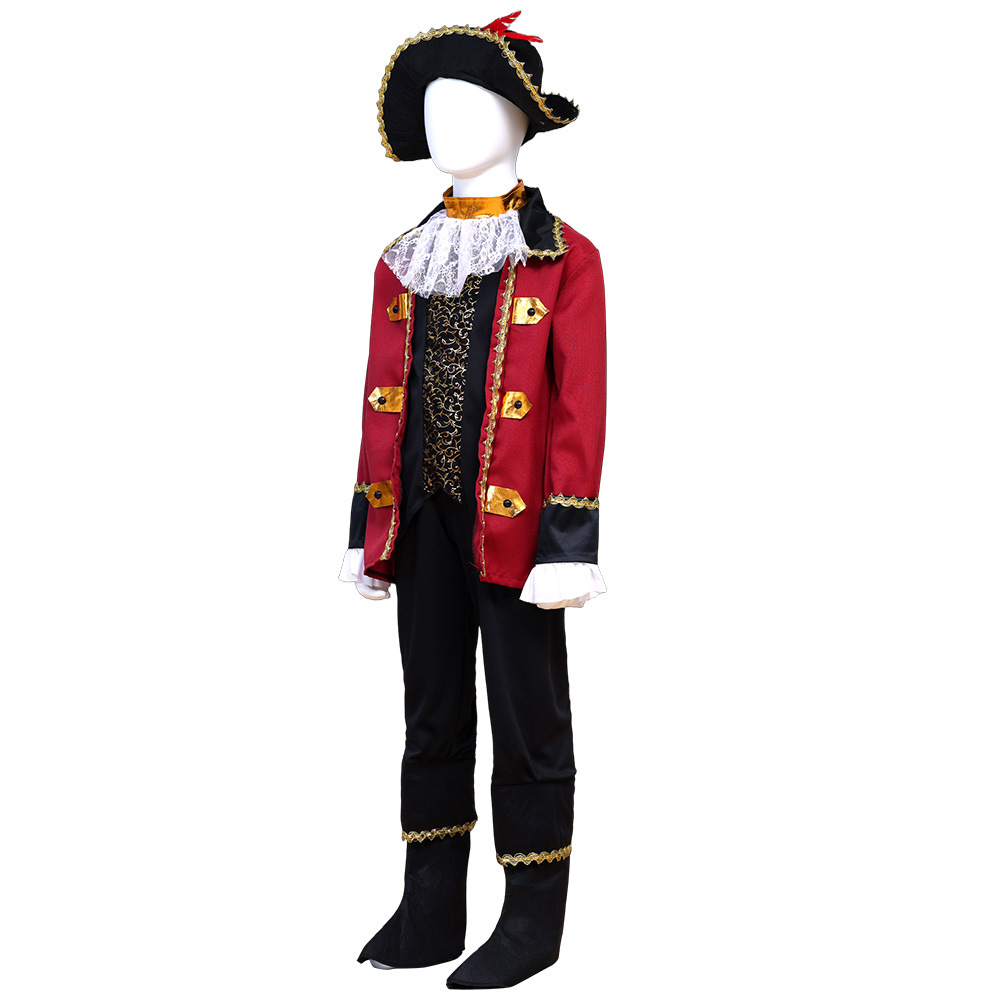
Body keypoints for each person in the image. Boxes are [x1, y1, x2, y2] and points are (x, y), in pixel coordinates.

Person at [339, 14, 608, 989]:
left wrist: (569, 541)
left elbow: (579, 404)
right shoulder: (403, 257)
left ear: (518, 118)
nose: (446, 122)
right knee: (432, 711)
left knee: (529, 715)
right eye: (435, 106)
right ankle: (431, 904)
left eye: (471, 103)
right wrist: (364, 528)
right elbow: (382, 396)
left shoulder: (564, 256)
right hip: (420, 515)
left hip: (519, 529)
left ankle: (532, 915)